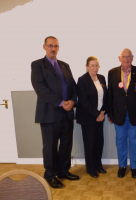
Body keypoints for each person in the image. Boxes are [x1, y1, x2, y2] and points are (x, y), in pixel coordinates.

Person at [31, 36, 79, 188]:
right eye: (50, 46)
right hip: (49, 113)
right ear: (44, 47)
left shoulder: (65, 65)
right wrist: (60, 102)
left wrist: (72, 101)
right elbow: (40, 87)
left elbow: (73, 86)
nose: (53, 49)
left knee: (66, 144)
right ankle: (50, 175)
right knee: (50, 146)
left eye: (56, 46)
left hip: (67, 112)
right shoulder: (38, 65)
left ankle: (64, 171)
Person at [108, 48, 136, 179]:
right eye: (123, 57)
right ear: (119, 58)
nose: (126, 59)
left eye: (128, 56)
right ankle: (122, 166)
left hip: (135, 114)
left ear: (132, 58)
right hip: (118, 115)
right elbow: (110, 95)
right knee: (120, 142)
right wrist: (110, 113)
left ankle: (135, 167)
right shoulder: (112, 73)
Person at [76, 56, 108, 178]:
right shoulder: (82, 80)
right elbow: (84, 101)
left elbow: (106, 97)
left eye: (97, 65)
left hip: (100, 117)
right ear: (87, 67)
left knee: (99, 142)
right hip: (88, 118)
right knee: (90, 143)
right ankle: (91, 168)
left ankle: (98, 165)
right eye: (92, 65)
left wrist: (103, 112)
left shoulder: (102, 78)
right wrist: (97, 114)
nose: (95, 68)